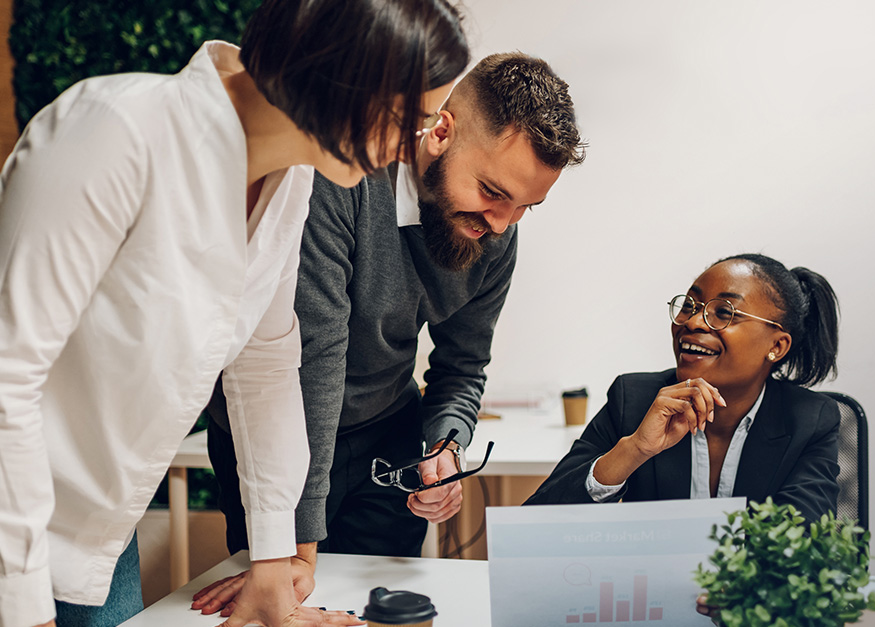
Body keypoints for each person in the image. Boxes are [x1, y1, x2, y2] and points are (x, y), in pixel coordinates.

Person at [0, 1, 468, 626]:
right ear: (339, 76)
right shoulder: (114, 129)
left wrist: (274, 559)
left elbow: (266, 362)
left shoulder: (292, 180)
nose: (405, 152)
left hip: (92, 509)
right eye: (408, 122)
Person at [191, 52, 585, 617]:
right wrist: (297, 551)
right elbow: (314, 357)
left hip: (385, 438)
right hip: (275, 435)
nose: (501, 224)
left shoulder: (497, 235)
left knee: (379, 611)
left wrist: (446, 446)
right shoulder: (340, 180)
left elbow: (463, 365)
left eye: (526, 207)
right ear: (441, 133)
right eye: (492, 192)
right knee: (279, 606)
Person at [524, 253, 842, 524]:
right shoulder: (633, 400)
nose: (692, 322)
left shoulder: (809, 420)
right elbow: (536, 524)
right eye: (689, 305)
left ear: (776, 346)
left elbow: (804, 546)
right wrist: (634, 450)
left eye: (724, 312)